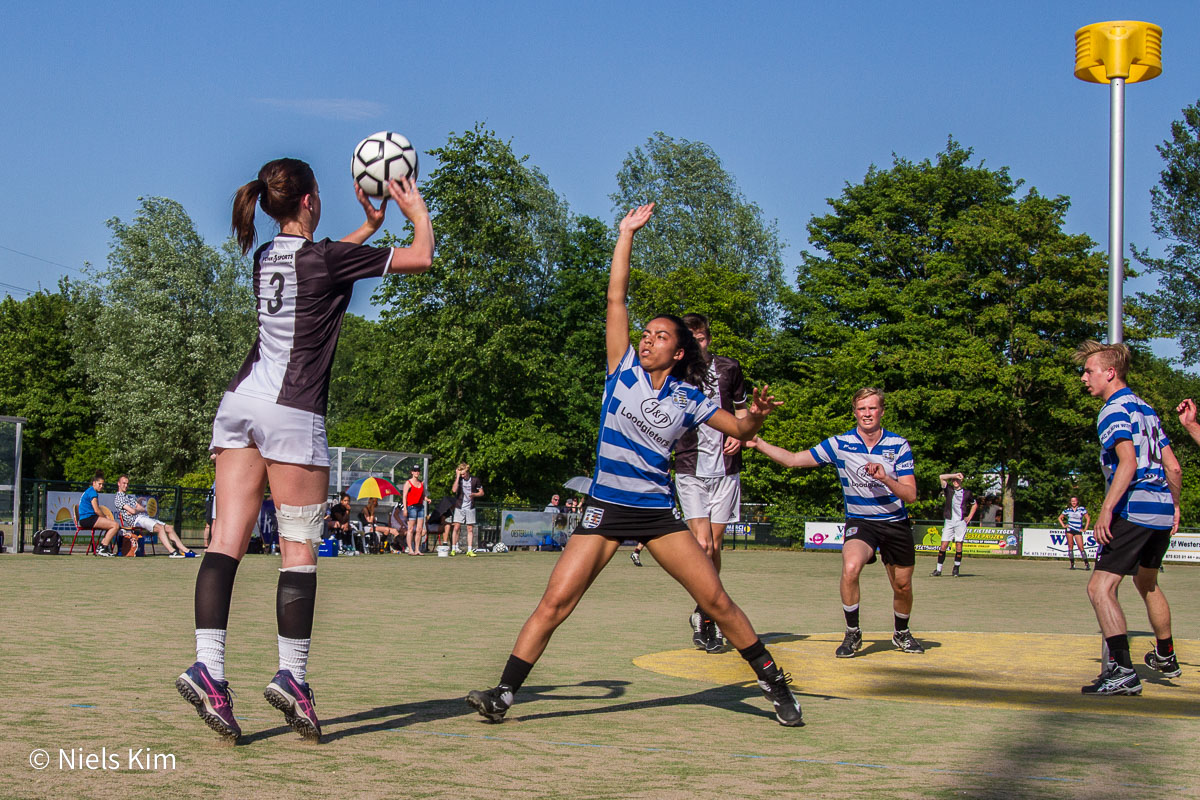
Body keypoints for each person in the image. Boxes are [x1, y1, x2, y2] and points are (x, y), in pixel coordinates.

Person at [466, 204, 803, 727]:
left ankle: (774, 683)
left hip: (654, 513)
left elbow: (738, 432)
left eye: (660, 336)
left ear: (678, 352)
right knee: (554, 603)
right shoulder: (620, 368)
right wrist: (625, 234)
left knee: (716, 601)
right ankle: (505, 694)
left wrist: (754, 416)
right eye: (646, 332)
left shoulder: (690, 397)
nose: (647, 338)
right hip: (604, 508)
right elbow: (615, 297)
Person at [175, 157, 433, 743]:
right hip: (292, 414)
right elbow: (421, 256)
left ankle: (208, 668)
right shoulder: (323, 259)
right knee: (298, 550)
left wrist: (366, 229)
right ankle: (292, 677)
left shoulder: (269, 256)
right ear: (312, 200)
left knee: (224, 545)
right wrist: (414, 212)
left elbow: (321, 263)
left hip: (240, 405)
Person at [746, 387, 925, 658]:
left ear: (882, 412)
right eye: (861, 408)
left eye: (872, 408)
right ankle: (853, 633)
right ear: (854, 412)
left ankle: (901, 632)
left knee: (902, 586)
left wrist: (885, 478)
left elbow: (910, 495)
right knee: (851, 567)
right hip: (861, 521)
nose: (867, 414)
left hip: (895, 522)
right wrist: (759, 443)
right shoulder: (840, 443)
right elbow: (794, 460)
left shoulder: (898, 445)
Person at [1075, 341, 1181, 696]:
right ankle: (1165, 655)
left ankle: (1122, 670)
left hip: (1133, 508)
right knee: (1146, 583)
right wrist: (1174, 506)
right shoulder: (1148, 410)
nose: (1083, 377)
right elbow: (1173, 467)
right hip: (1161, 509)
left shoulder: (1112, 410)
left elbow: (1129, 462)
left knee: (1099, 587)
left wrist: (1106, 509)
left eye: (1089, 371)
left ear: (1110, 372)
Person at [673, 313, 748, 652]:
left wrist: (743, 436)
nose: (696, 344)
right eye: (690, 339)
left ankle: (703, 611)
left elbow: (743, 414)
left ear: (708, 339)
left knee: (714, 548)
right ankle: (708, 619)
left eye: (700, 338)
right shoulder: (674, 373)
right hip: (690, 469)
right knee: (702, 547)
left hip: (726, 469)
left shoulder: (730, 368)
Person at [114, 474, 195, 558]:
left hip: (142, 517)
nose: (126, 485)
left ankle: (186, 551)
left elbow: (141, 509)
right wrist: (135, 510)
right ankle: (172, 551)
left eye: (127, 483)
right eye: (124, 483)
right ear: (118, 484)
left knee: (169, 528)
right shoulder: (118, 498)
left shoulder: (129, 497)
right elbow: (134, 510)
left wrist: (135, 510)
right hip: (136, 521)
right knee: (159, 528)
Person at [931, 473, 976, 577]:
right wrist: (954, 475)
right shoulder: (949, 490)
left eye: (957, 480)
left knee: (959, 545)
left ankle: (956, 569)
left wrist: (969, 516)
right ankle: (938, 569)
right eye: (954, 480)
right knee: (944, 545)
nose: (955, 481)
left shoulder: (967, 493)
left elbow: (974, 504)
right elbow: (941, 477)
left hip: (960, 522)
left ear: (961, 481)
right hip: (949, 520)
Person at [80, 471, 122, 557]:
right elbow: (96, 510)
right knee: (115, 526)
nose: (101, 486)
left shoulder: (89, 491)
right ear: (94, 483)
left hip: (86, 518)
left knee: (111, 525)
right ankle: (103, 548)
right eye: (99, 484)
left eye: (102, 484)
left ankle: (102, 548)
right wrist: (106, 518)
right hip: (88, 519)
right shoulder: (92, 492)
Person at [451, 463, 485, 556]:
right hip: (459, 506)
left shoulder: (475, 480)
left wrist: (475, 494)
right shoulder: (459, 480)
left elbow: (481, 493)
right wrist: (457, 477)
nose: (462, 475)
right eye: (461, 474)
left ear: (467, 472)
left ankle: (469, 550)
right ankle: (453, 549)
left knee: (470, 528)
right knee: (456, 527)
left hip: (470, 507)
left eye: (463, 474)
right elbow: (454, 490)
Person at [1058, 496, 1092, 571]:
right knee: (1070, 546)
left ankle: (1087, 564)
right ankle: (1072, 564)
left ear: (1077, 501)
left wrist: (1085, 528)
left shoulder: (1081, 509)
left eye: (1075, 501)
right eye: (1072, 501)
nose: (1073, 502)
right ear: (1070, 502)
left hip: (1078, 530)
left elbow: (1088, 518)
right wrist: (1063, 525)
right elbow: (1060, 518)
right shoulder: (1068, 510)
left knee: (1081, 547)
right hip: (1069, 529)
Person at [403, 466, 428, 554]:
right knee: (410, 529)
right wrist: (405, 508)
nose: (417, 472)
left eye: (418, 471)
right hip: (412, 507)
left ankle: (417, 549)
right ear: (412, 472)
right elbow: (404, 496)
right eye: (415, 471)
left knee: (419, 529)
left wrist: (427, 499)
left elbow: (423, 495)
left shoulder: (421, 483)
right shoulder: (408, 483)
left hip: (420, 507)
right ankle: (410, 549)